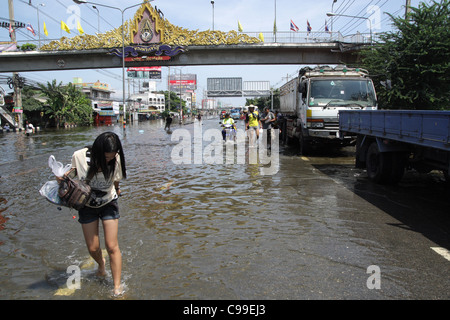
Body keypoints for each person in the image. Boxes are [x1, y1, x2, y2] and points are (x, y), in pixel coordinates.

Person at [65, 132, 127, 296]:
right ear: (97, 152)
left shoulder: (117, 158)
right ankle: (101, 264)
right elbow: (71, 176)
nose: (109, 160)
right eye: (106, 157)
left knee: (112, 246)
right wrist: (62, 180)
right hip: (87, 205)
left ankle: (117, 287)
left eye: (111, 158)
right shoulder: (79, 156)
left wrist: (118, 189)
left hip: (109, 202)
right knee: (93, 248)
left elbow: (116, 178)